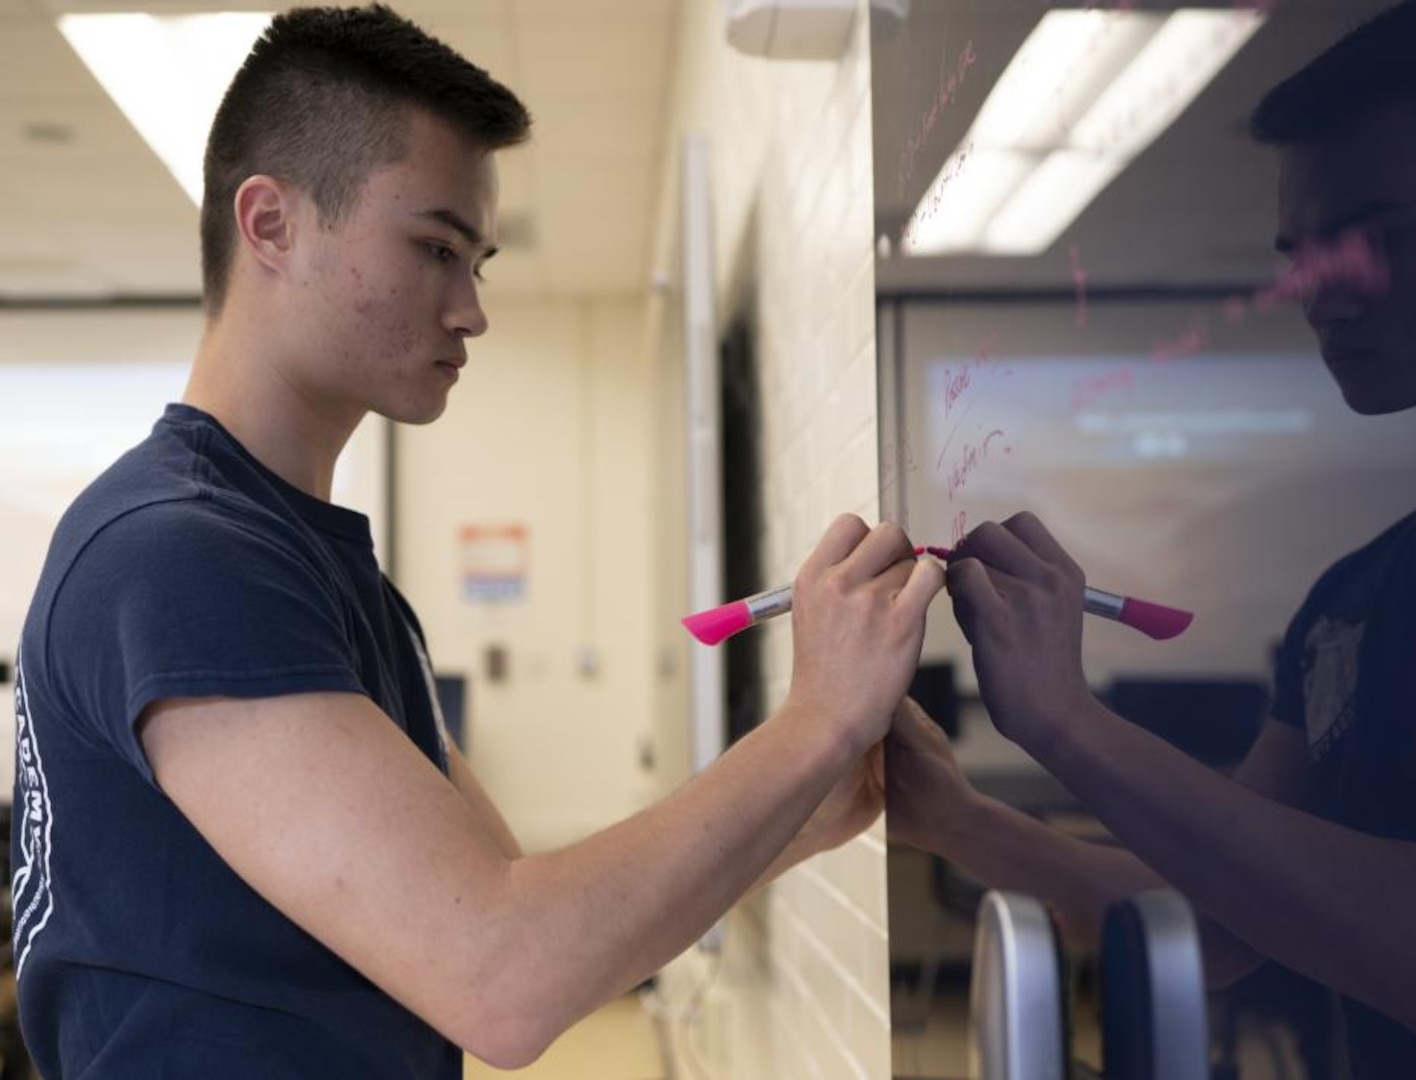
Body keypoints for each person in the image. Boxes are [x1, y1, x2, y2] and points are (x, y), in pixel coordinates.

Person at [9, 6, 945, 1077]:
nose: (470, 310)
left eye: (479, 261)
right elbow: (502, 981)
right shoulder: (174, 556)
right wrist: (817, 720)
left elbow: (515, 903)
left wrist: (807, 806)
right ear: (270, 224)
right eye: (435, 247)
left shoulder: (307, 561)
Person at [886, 2, 1416, 1077]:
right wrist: (956, 819)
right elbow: (1221, 929)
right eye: (1303, 251)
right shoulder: (1351, 597)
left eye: (1378, 234)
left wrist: (1066, 720)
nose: (1321, 287)